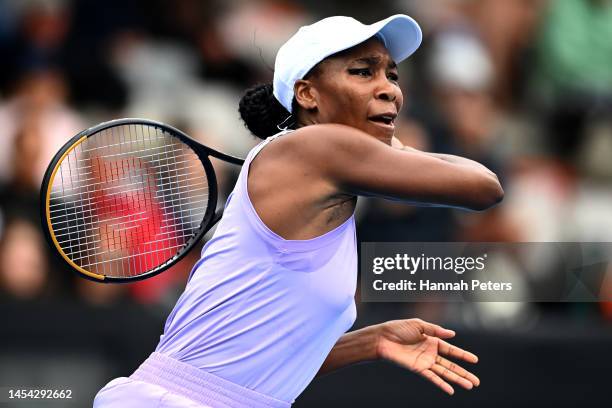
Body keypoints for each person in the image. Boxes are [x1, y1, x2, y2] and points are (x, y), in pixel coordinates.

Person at [94, 14, 502, 408]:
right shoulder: (314, 150)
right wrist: (397, 147)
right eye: (364, 72)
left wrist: (368, 342)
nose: (389, 89)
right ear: (307, 94)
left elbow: (253, 361)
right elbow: (483, 186)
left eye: (392, 75)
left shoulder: (308, 165)